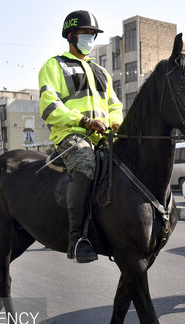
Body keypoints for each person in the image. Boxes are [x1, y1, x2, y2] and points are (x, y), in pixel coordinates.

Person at [38, 10, 123, 263]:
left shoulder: (101, 71)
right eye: (86, 34)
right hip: (72, 135)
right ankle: (76, 238)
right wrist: (83, 121)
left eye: (93, 35)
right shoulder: (54, 66)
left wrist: (116, 122)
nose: (90, 39)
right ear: (71, 35)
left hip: (103, 135)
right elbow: (49, 106)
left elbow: (114, 104)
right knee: (86, 164)